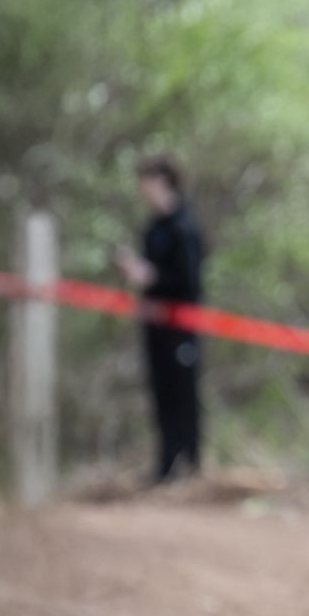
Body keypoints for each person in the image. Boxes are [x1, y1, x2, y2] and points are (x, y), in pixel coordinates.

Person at [113, 155, 206, 481]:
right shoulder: (153, 228)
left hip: (182, 329)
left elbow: (190, 283)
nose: (143, 189)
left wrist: (151, 276)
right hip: (155, 327)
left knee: (185, 394)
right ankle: (165, 465)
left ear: (164, 182)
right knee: (161, 393)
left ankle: (191, 465)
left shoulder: (185, 227)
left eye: (148, 181)